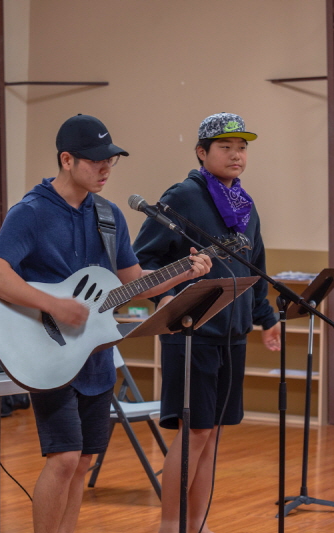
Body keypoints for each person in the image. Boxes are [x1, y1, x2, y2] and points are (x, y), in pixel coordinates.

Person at [0, 114, 212, 533]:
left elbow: (133, 283)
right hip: (46, 352)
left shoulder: (109, 215)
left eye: (111, 159)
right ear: (67, 160)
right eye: (95, 160)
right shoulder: (31, 212)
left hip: (93, 352)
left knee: (84, 459)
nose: (106, 167)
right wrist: (53, 305)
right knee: (65, 457)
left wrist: (184, 272)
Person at [132, 112, 282, 533]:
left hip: (232, 334)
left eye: (242, 148)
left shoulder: (244, 204)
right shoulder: (183, 197)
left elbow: (255, 266)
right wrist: (165, 298)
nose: (236, 155)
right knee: (194, 433)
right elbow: (143, 260)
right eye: (225, 147)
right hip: (191, 332)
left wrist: (266, 318)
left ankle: (197, 525)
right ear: (202, 152)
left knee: (211, 433)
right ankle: (171, 525)